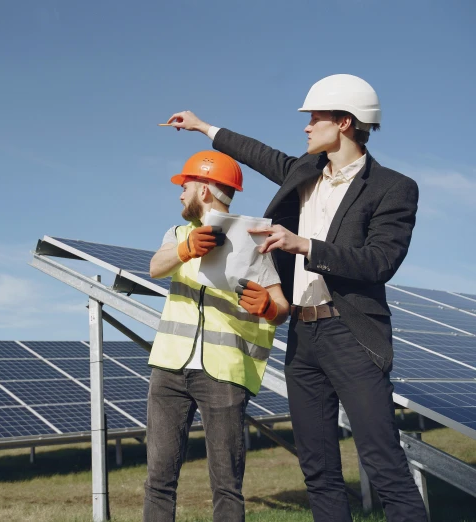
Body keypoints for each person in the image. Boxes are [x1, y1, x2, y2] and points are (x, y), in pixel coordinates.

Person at [165, 74, 427, 521]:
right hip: (303, 340)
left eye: (315, 119)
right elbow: (258, 153)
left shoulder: (393, 188)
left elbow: (380, 261)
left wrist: (304, 245)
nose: (306, 127)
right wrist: (204, 127)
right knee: (319, 471)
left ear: (344, 122)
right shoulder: (303, 172)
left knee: (385, 466)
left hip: (352, 335)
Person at [145, 150, 289, 522]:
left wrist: (270, 308)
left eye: (185, 185)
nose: (180, 194)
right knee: (159, 478)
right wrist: (186, 249)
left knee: (226, 484)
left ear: (205, 190)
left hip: (224, 374)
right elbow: (155, 268)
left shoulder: (253, 241)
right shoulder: (176, 234)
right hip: (169, 371)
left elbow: (280, 305)